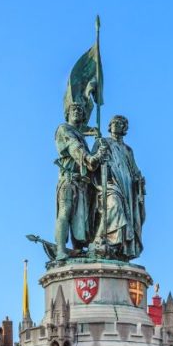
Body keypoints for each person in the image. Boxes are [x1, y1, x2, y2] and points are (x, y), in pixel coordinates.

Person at [93, 114, 145, 260]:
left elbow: (134, 169)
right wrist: (99, 156)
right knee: (114, 206)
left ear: (125, 128)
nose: (116, 125)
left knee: (129, 217)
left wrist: (139, 180)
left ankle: (121, 248)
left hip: (127, 186)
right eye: (114, 122)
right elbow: (91, 163)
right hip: (109, 182)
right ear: (109, 126)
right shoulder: (102, 142)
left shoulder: (128, 150)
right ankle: (104, 242)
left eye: (120, 123)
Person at [53, 102, 101, 260]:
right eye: (74, 109)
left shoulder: (82, 138)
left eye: (80, 110)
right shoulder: (64, 129)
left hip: (83, 183)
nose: (77, 112)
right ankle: (61, 249)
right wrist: (89, 158)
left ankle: (77, 249)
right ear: (67, 113)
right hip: (68, 179)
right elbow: (74, 148)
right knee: (65, 211)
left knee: (81, 218)